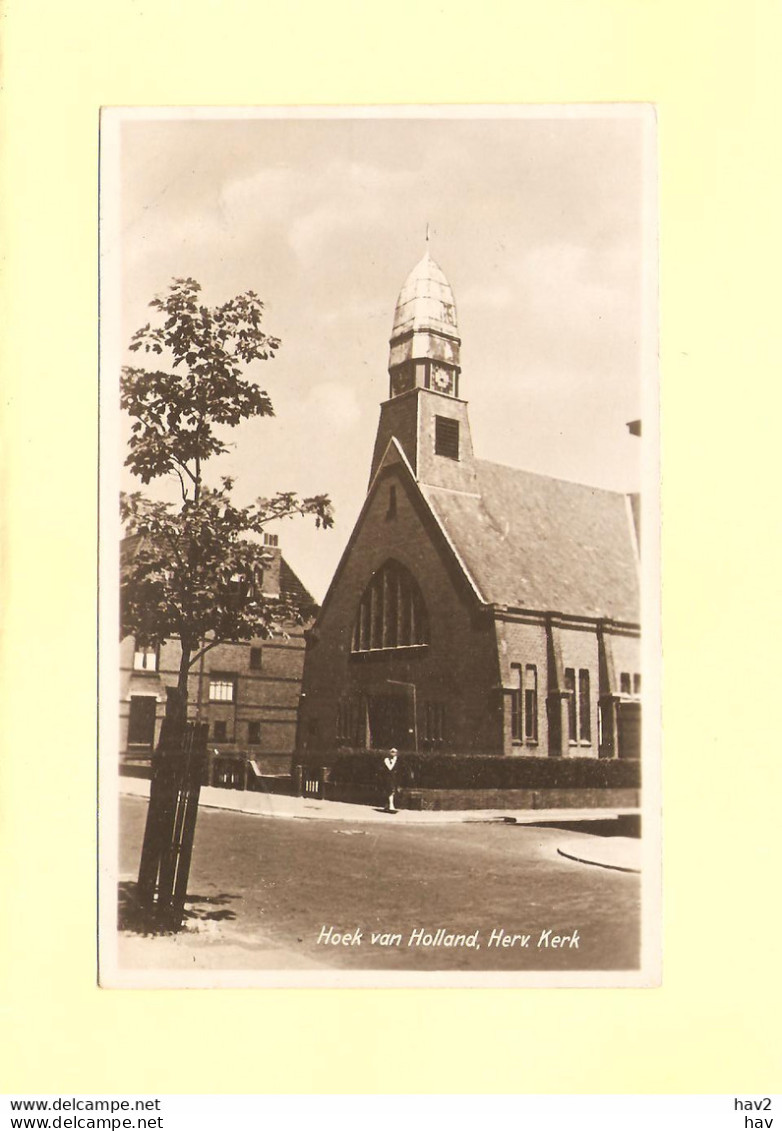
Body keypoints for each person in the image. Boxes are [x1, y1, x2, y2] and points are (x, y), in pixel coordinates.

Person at [383, 748, 399, 813]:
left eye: (395, 752)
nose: (393, 753)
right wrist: (394, 761)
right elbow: (390, 768)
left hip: (394, 777)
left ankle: (387, 806)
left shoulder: (396, 760)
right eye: (392, 752)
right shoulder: (386, 759)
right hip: (388, 777)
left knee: (392, 791)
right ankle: (391, 805)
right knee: (390, 791)